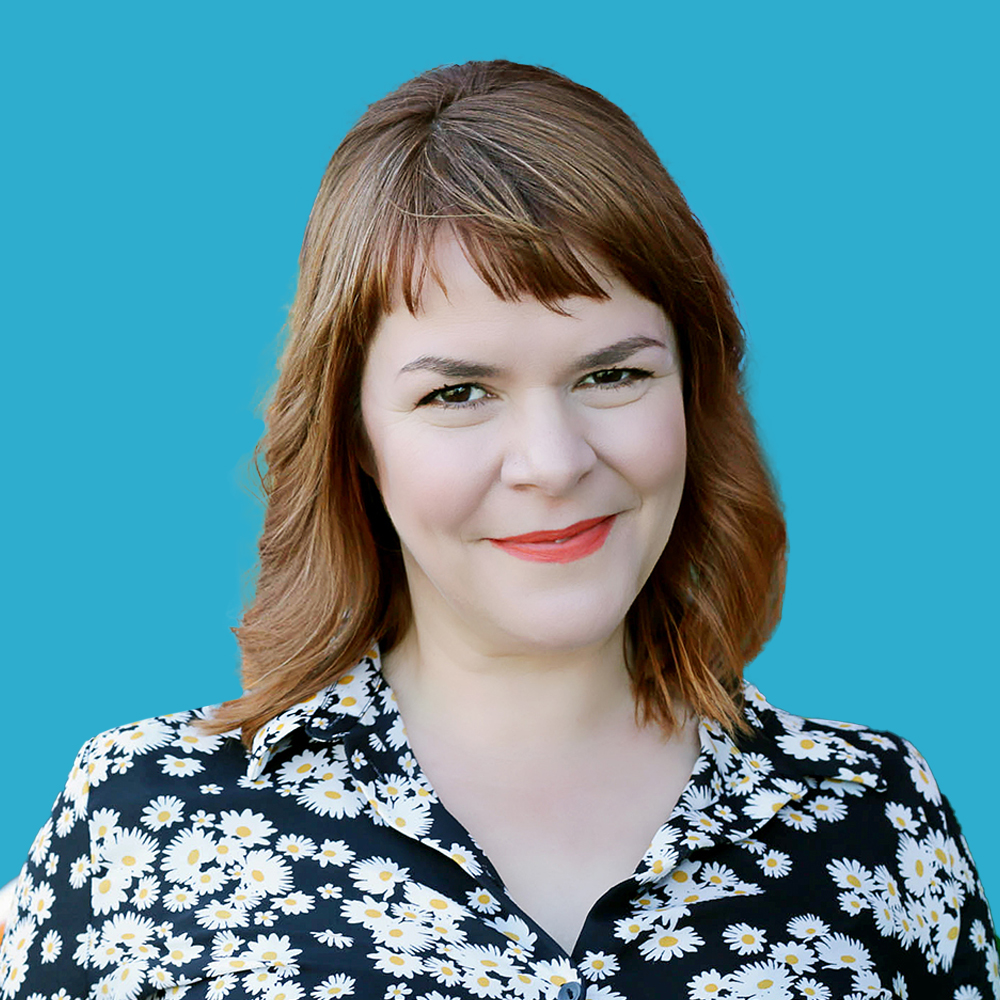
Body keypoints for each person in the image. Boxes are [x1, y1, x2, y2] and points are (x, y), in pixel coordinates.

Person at [0, 59, 995, 1000]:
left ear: (694, 395)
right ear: (353, 434)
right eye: (460, 392)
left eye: (612, 375)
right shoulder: (142, 824)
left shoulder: (873, 820)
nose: (552, 461)